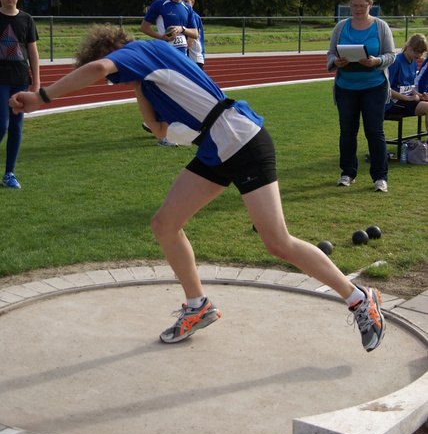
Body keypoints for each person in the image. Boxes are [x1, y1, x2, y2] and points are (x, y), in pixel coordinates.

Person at [10, 24, 386, 352]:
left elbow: (98, 68)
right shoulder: (150, 74)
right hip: (215, 149)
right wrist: (138, 86)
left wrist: (41, 98)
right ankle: (198, 306)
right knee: (164, 224)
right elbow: (158, 130)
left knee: (277, 241)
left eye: (117, 76)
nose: (114, 79)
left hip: (241, 139)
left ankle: (360, 300)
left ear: (113, 51)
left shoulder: (137, 50)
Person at [327, 0, 396, 193]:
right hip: (346, 87)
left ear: (370, 5)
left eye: (362, 6)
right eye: (354, 5)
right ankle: (348, 173)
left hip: (374, 87)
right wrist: (336, 62)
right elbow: (330, 53)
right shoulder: (341, 27)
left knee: (375, 132)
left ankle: (380, 177)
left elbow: (391, 55)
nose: (357, 9)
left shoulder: (381, 27)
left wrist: (377, 60)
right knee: (347, 132)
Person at [141, 0, 198, 146]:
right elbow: (144, 27)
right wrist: (162, 38)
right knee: (165, 93)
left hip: (181, 58)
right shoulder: (160, 4)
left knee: (178, 94)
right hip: (164, 55)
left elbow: (195, 33)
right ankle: (163, 135)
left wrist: (182, 29)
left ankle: (167, 130)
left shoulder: (187, 8)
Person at [0, 0, 40, 189]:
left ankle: (9, 173)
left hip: (21, 79)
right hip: (0, 80)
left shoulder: (26, 19)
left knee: (16, 127)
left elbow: (33, 52)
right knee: (1, 124)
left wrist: (37, 83)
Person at [385, 33, 428, 130]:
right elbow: (387, 89)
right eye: (416, 51)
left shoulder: (413, 62)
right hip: (393, 102)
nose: (419, 55)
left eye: (421, 53)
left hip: (406, 100)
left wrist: (421, 96)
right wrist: (407, 98)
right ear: (408, 46)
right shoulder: (396, 61)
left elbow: (409, 87)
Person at [182, 0, 205, 69]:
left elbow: (191, 40)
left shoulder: (194, 17)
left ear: (192, 2)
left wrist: (179, 52)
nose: (184, 4)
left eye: (186, 1)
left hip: (194, 58)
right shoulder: (182, 16)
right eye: (182, 1)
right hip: (186, 57)